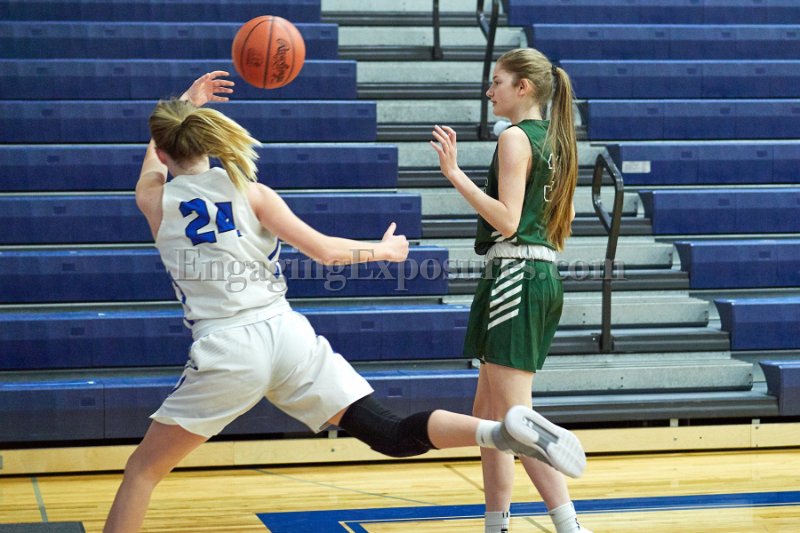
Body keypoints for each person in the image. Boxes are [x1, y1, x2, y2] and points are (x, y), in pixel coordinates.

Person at [103, 71, 586, 532]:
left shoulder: (153, 199)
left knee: (142, 471)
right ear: (207, 143)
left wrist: (187, 102)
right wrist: (386, 251)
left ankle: (501, 434)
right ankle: (500, 433)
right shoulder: (252, 192)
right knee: (390, 433)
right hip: (287, 337)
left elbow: (156, 157)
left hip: (226, 348)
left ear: (164, 151)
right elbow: (327, 252)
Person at [430, 49, 591, 533]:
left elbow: (508, 221)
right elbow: (565, 218)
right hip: (537, 274)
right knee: (489, 416)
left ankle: (569, 525)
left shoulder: (515, 137)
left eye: (497, 81)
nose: (489, 91)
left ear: (524, 87)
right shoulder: (558, 142)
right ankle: (496, 523)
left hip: (516, 276)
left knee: (518, 419)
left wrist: (454, 174)